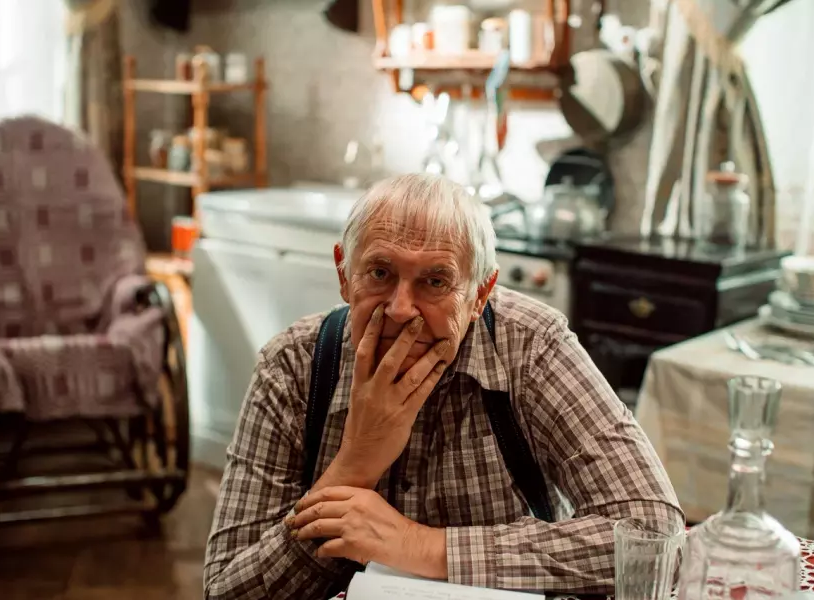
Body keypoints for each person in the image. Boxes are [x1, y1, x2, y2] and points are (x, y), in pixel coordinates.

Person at [204, 173, 683, 600]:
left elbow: (656, 535)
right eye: (380, 273)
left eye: (434, 282)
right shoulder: (294, 367)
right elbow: (225, 590)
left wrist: (422, 546)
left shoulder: (531, 348)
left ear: (480, 294)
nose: (400, 309)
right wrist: (354, 465)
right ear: (344, 275)